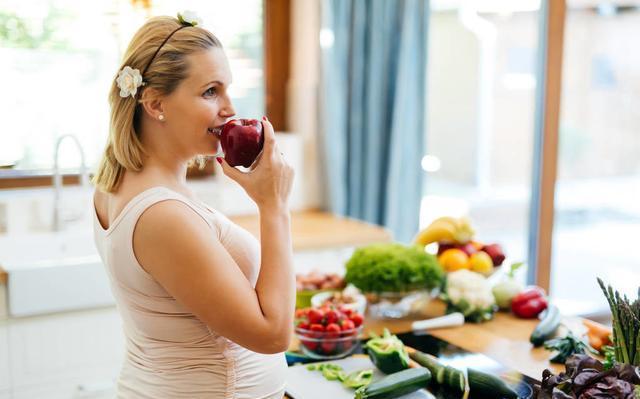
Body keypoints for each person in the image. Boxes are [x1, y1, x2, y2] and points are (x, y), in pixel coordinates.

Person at [92, 13, 295, 398]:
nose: (229, 108)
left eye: (227, 89)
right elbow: (273, 334)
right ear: (155, 104)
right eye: (210, 92)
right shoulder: (162, 215)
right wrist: (274, 207)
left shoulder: (116, 184)